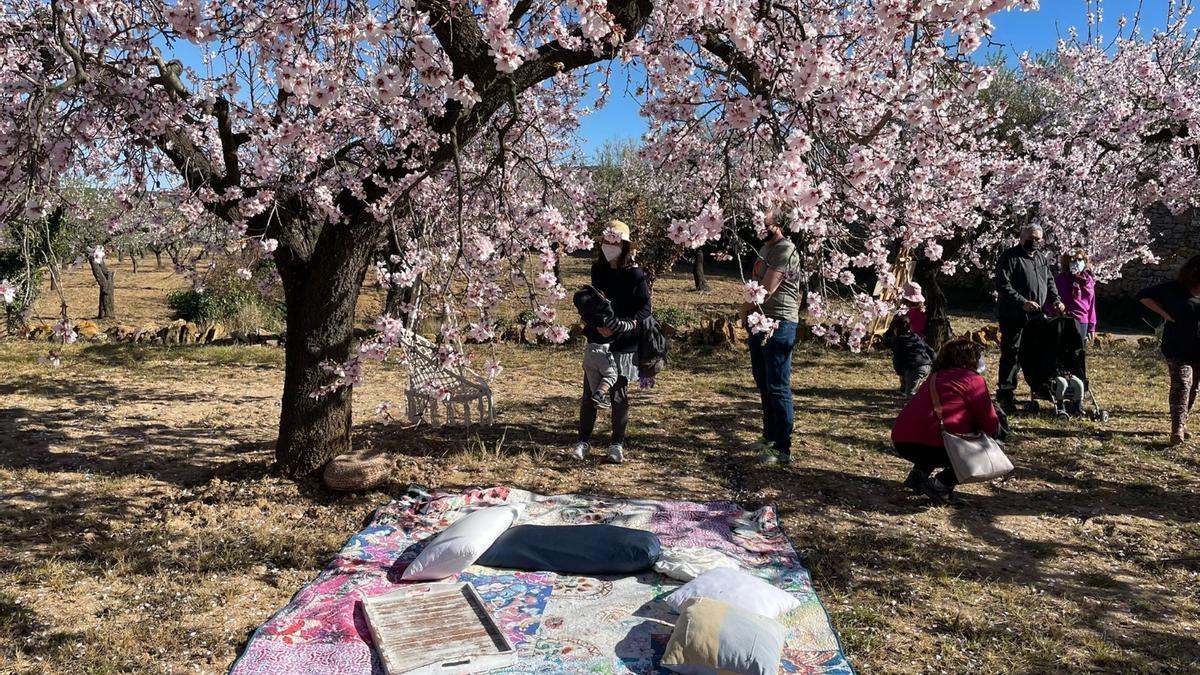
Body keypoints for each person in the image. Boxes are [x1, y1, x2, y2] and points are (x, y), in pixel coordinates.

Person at [568, 220, 651, 463]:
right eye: (606, 241)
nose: (610, 246)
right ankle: (583, 441)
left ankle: (617, 444)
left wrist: (625, 325)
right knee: (590, 393)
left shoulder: (636, 275)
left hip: (624, 341)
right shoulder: (598, 270)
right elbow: (591, 303)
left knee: (618, 395)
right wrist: (596, 325)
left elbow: (645, 309)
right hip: (598, 341)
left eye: (615, 242)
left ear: (624, 246)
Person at [891, 339, 1001, 508]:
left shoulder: (934, 377)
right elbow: (989, 421)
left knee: (934, 434)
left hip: (902, 440)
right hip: (934, 445)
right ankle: (941, 485)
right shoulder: (973, 380)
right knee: (974, 451)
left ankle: (918, 476)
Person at [739, 208, 803, 465]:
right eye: (756, 222)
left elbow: (765, 288)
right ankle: (769, 435)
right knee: (763, 382)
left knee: (777, 385)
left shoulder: (784, 249)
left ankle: (783, 448)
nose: (759, 227)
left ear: (777, 222)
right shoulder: (765, 249)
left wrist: (743, 309)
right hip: (759, 320)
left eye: (763, 222)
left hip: (780, 322)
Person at [995, 224, 1066, 410]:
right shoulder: (1010, 257)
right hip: (1013, 314)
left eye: (1038, 239)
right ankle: (1006, 393)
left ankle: (1040, 388)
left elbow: (1049, 281)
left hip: (1037, 315)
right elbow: (1003, 285)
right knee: (1012, 353)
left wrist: (1056, 301)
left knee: (1038, 352)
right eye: (1031, 238)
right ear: (1022, 237)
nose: (1035, 242)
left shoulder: (1041, 258)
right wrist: (1022, 302)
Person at [1136, 255, 1200, 445]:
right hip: (1177, 346)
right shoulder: (1174, 289)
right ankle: (1177, 429)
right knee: (1182, 384)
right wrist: (1164, 314)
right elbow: (1143, 296)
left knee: (1194, 387)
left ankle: (1183, 422)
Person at [572, 285, 636, 410]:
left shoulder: (587, 317)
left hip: (589, 353)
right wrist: (632, 324)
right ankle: (600, 394)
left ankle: (598, 399)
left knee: (594, 383)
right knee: (611, 376)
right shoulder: (605, 319)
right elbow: (620, 326)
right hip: (602, 351)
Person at [1051, 249, 1097, 346]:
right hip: (1064, 320)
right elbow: (1050, 299)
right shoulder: (1060, 279)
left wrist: (1092, 327)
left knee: (1078, 355)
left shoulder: (1089, 282)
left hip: (1082, 322)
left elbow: (1091, 305)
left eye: (1080, 260)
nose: (1076, 263)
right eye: (1073, 260)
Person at [891, 314, 935, 398]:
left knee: (911, 393)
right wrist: (935, 361)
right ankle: (906, 388)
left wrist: (899, 372)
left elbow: (897, 358)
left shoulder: (897, 340)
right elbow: (930, 350)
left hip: (915, 368)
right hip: (927, 365)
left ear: (896, 329)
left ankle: (917, 406)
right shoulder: (915, 336)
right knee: (914, 381)